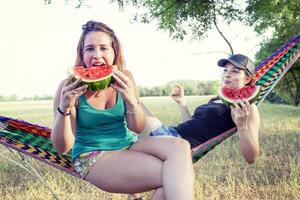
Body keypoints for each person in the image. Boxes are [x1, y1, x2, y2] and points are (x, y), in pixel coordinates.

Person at [51, 20, 195, 200]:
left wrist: (131, 101)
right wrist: (64, 108)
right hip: (93, 155)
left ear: (114, 52)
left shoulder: (125, 77)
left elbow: (137, 127)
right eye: (90, 49)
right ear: (81, 54)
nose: (97, 55)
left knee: (181, 146)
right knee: (175, 176)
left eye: (104, 48)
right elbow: (62, 147)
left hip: (129, 144)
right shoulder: (70, 86)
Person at [142, 54, 260, 164]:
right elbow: (191, 124)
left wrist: (242, 126)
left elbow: (251, 158)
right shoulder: (217, 99)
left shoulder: (247, 107)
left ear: (247, 79)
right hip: (171, 135)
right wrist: (182, 103)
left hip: (176, 145)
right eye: (225, 70)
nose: (227, 74)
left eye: (234, 71)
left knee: (134, 102)